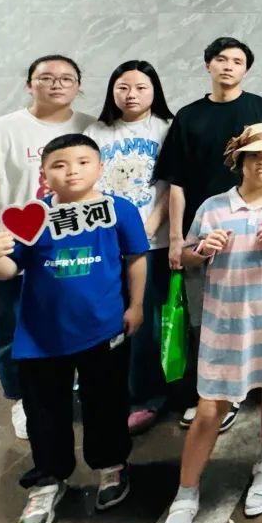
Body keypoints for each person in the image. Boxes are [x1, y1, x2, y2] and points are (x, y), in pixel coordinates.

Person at [0, 134, 148, 523]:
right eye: (60, 164)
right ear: (44, 173)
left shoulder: (119, 210)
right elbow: (8, 270)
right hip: (41, 336)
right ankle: (49, 479)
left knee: (106, 402)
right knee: (45, 410)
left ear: (100, 167)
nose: (72, 172)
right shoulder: (31, 218)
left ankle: (111, 466)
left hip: (103, 329)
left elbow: (136, 257)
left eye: (83, 162)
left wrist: (136, 305)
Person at [156, 125, 262, 523]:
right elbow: (185, 256)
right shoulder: (213, 206)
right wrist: (203, 248)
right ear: (240, 162)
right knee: (209, 409)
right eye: (255, 155)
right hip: (223, 322)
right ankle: (186, 496)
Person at [153, 36, 262, 432]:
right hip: (206, 234)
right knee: (208, 321)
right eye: (221, 59)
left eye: (237, 61)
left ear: (246, 69)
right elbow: (177, 182)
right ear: (208, 65)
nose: (228, 66)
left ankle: (259, 389)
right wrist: (178, 239)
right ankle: (217, 395)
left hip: (255, 233)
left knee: (258, 318)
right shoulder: (189, 116)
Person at [0, 54, 95, 440]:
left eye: (67, 78)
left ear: (79, 86)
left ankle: (70, 391)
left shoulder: (93, 128)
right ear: (30, 85)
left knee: (76, 324)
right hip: (13, 247)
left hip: (74, 248)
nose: (57, 84)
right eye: (46, 77)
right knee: (13, 327)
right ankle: (23, 400)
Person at [85, 60, 174, 435]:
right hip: (104, 241)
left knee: (145, 323)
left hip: (151, 243)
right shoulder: (96, 131)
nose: (131, 94)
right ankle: (108, 391)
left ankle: (146, 398)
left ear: (155, 90)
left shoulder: (167, 128)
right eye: (123, 87)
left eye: (140, 87)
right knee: (105, 318)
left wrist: (148, 229)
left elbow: (172, 184)